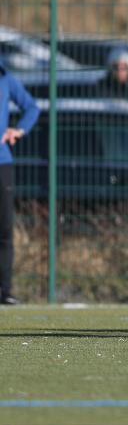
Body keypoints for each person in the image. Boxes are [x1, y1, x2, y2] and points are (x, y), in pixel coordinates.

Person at [0, 57, 40, 305]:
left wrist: (19, 129)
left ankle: (4, 290)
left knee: (4, 229)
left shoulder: (6, 78)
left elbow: (32, 108)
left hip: (2, 163)